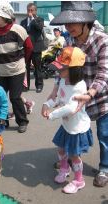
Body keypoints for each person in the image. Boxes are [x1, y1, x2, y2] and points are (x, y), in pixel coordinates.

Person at [49, 1, 108, 187]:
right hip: (75, 95)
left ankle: (105, 168)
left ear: (86, 22)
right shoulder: (68, 41)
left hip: (99, 96)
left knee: (104, 135)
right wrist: (55, 89)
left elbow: (104, 73)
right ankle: (72, 162)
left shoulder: (102, 40)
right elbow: (63, 68)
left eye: (73, 22)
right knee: (74, 131)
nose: (68, 27)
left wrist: (90, 93)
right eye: (66, 23)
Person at [42, 46, 93, 194]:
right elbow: (58, 98)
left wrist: (52, 115)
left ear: (75, 69)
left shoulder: (79, 86)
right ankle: (64, 169)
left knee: (74, 155)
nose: (59, 72)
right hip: (66, 126)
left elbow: (70, 108)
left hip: (77, 128)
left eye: (62, 68)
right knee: (61, 148)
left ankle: (79, 180)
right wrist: (47, 104)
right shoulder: (64, 81)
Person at [0, 2, 33, 133]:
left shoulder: (18, 30)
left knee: (15, 97)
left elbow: (29, 47)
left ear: (6, 17)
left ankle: (22, 121)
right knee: (0, 98)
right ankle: (3, 121)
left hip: (16, 70)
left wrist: (24, 62)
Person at [21, 3, 45, 93]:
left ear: (35, 11)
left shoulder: (39, 20)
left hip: (36, 47)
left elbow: (39, 28)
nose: (30, 12)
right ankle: (26, 86)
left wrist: (33, 19)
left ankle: (39, 85)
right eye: (28, 10)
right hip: (26, 48)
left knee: (37, 67)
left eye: (32, 10)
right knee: (25, 67)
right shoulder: (23, 21)